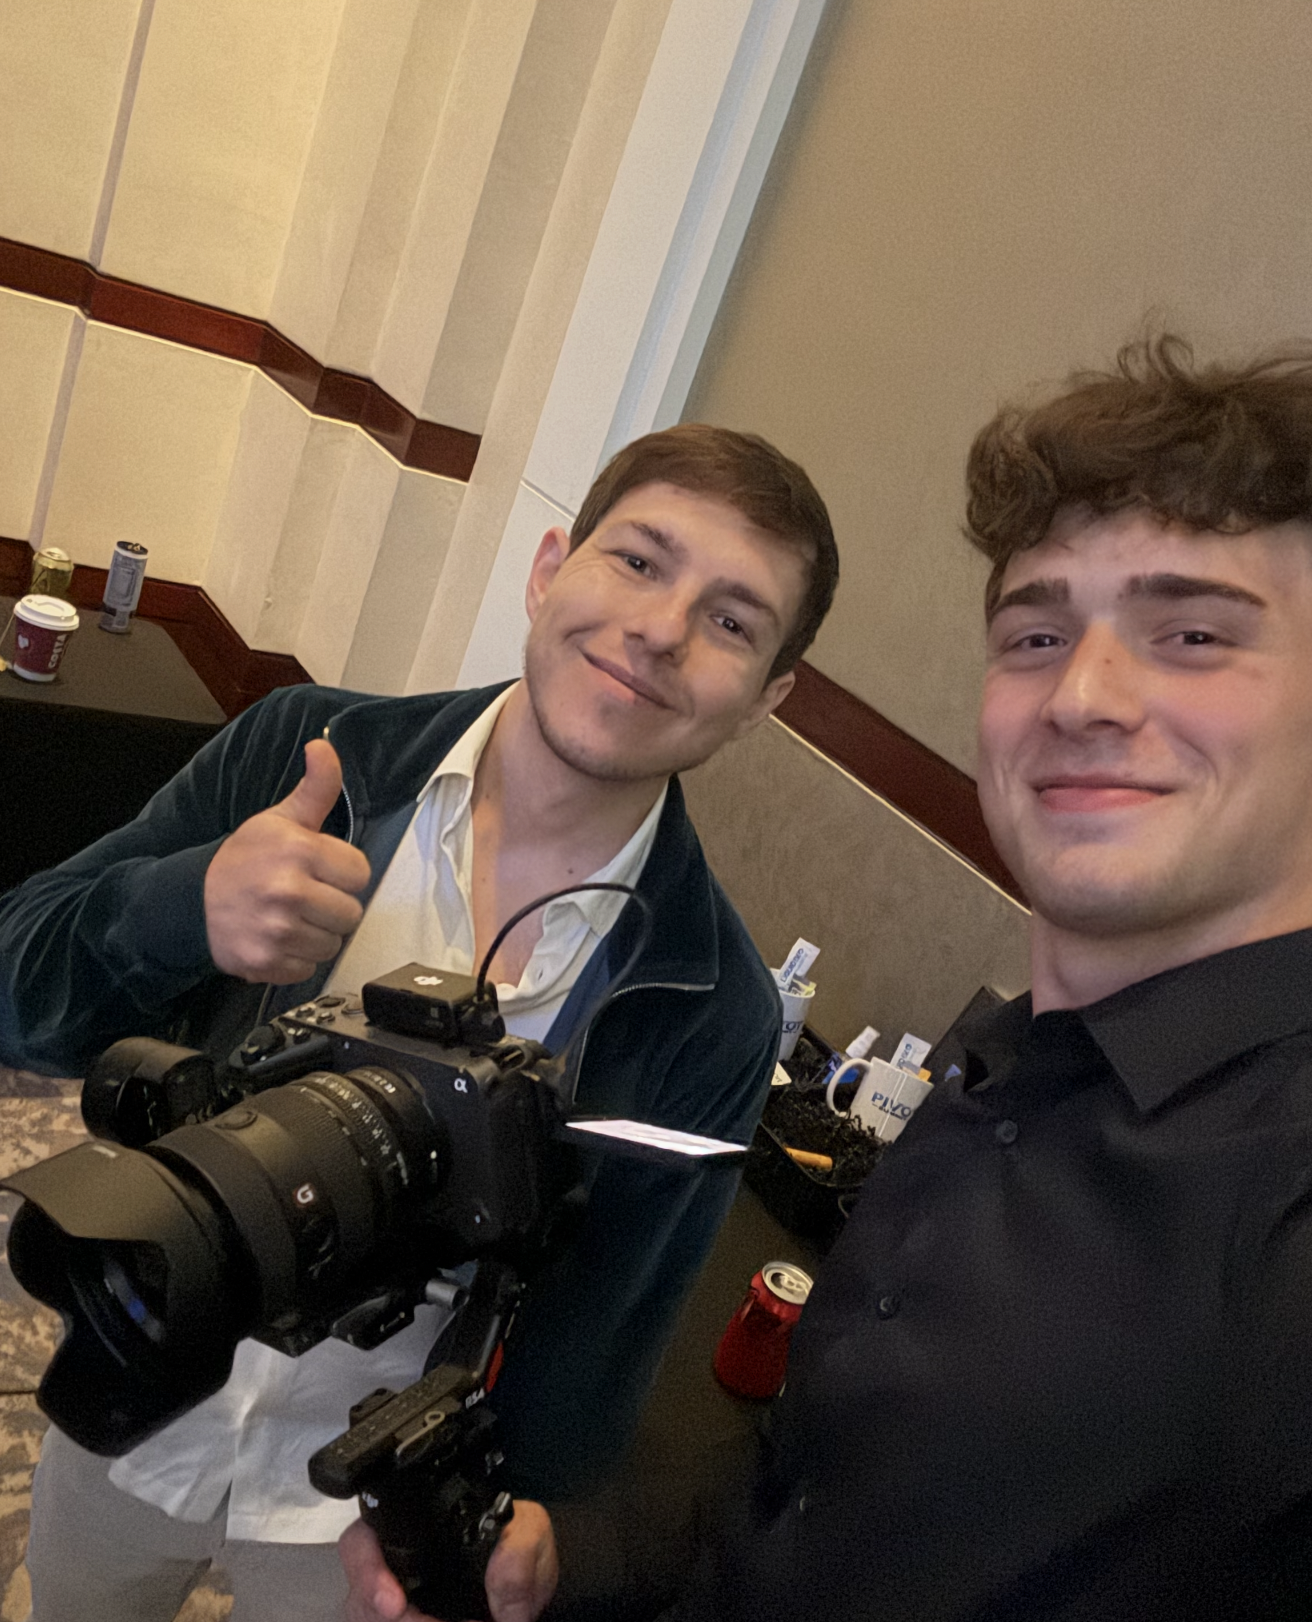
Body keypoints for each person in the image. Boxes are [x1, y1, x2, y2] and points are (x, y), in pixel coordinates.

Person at [348, 334, 1312, 1621]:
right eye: (1035, 632)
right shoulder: (995, 1086)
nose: (1083, 692)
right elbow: (817, 1502)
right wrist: (571, 1564)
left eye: (1191, 632)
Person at [0, 423, 838, 1622]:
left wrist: (502, 1532)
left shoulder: (712, 1004)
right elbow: (15, 982)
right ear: (551, 566)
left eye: (732, 619)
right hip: (142, 1365)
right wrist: (188, 908)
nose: (661, 628)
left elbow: (599, 1347)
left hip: (360, 1508)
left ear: (767, 697)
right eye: (640, 561)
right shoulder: (313, 755)